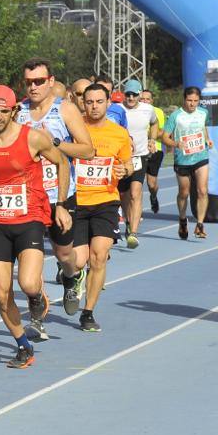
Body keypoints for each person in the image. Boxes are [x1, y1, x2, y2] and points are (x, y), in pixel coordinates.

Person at [0, 85, 71, 369]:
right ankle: (23, 344)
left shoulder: (33, 138)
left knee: (28, 283)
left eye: (3, 111)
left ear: (14, 112)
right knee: (1, 292)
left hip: (30, 219)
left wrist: (61, 204)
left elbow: (62, 163)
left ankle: (36, 295)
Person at [16, 59, 94, 340]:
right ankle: (36, 319)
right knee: (30, 261)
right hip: (28, 200)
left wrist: (55, 144)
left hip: (60, 196)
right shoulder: (19, 112)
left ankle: (73, 276)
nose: (34, 87)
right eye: (29, 82)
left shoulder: (66, 109)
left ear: (51, 81)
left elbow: (87, 150)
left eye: (39, 81)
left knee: (64, 255)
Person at [64, 83, 132, 331]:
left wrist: (125, 170)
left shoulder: (119, 133)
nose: (93, 106)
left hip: (106, 200)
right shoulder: (74, 128)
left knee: (99, 256)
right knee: (79, 261)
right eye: (89, 102)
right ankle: (71, 275)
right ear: (83, 103)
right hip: (77, 200)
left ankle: (88, 312)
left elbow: (128, 164)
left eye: (99, 102)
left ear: (108, 103)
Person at [162, 86, 212, 239]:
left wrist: (207, 139)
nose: (192, 104)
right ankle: (183, 219)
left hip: (200, 156)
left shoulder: (203, 112)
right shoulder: (176, 116)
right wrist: (176, 144)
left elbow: (203, 128)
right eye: (189, 100)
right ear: (184, 99)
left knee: (202, 190)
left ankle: (200, 224)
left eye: (196, 101)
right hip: (182, 159)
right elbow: (164, 137)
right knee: (184, 192)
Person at [119, 79, 158, 249]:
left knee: (135, 194)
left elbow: (155, 123)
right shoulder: (117, 109)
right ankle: (128, 221)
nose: (131, 97)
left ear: (140, 94)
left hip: (139, 157)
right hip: (121, 159)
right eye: (128, 94)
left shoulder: (148, 110)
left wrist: (152, 139)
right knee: (123, 196)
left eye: (134, 94)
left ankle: (133, 233)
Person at [140, 89, 165, 214]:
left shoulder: (157, 112)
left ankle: (154, 196)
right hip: (138, 150)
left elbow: (161, 132)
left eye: (147, 99)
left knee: (151, 184)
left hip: (155, 150)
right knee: (136, 184)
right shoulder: (134, 111)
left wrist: (142, 131)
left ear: (152, 101)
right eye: (142, 99)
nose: (144, 101)